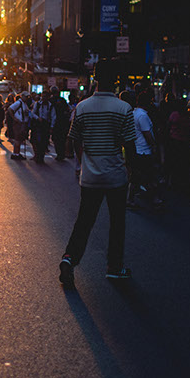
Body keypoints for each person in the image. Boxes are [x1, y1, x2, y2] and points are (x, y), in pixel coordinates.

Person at [58, 81, 137, 286]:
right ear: (115, 81)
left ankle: (69, 258)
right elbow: (129, 143)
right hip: (115, 174)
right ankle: (114, 266)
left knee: (84, 220)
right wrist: (130, 168)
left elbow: (74, 138)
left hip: (90, 175)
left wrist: (83, 159)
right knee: (117, 222)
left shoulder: (82, 106)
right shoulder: (124, 108)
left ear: (96, 80)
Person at [128, 90, 161, 209]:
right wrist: (154, 145)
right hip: (143, 150)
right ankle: (154, 198)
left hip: (137, 149)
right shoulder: (143, 116)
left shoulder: (134, 113)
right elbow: (147, 133)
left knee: (136, 177)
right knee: (150, 175)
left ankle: (131, 199)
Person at [30, 89, 55, 164]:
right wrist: (38, 118)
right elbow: (32, 113)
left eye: (45, 97)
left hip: (45, 125)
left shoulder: (50, 106)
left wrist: (51, 127)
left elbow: (53, 117)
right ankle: (37, 155)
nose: (43, 98)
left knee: (44, 141)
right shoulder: (37, 104)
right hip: (38, 124)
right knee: (35, 140)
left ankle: (41, 157)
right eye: (42, 96)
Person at [8, 91, 32, 160]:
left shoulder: (24, 103)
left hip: (23, 123)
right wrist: (15, 118)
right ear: (22, 96)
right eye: (26, 96)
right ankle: (16, 154)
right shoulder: (19, 103)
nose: (27, 98)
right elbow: (10, 109)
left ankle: (17, 153)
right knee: (17, 139)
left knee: (20, 139)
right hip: (19, 123)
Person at [52, 92, 72, 161]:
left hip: (60, 123)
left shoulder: (55, 101)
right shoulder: (59, 101)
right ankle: (61, 153)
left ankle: (60, 154)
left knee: (59, 139)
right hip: (60, 123)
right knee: (60, 139)